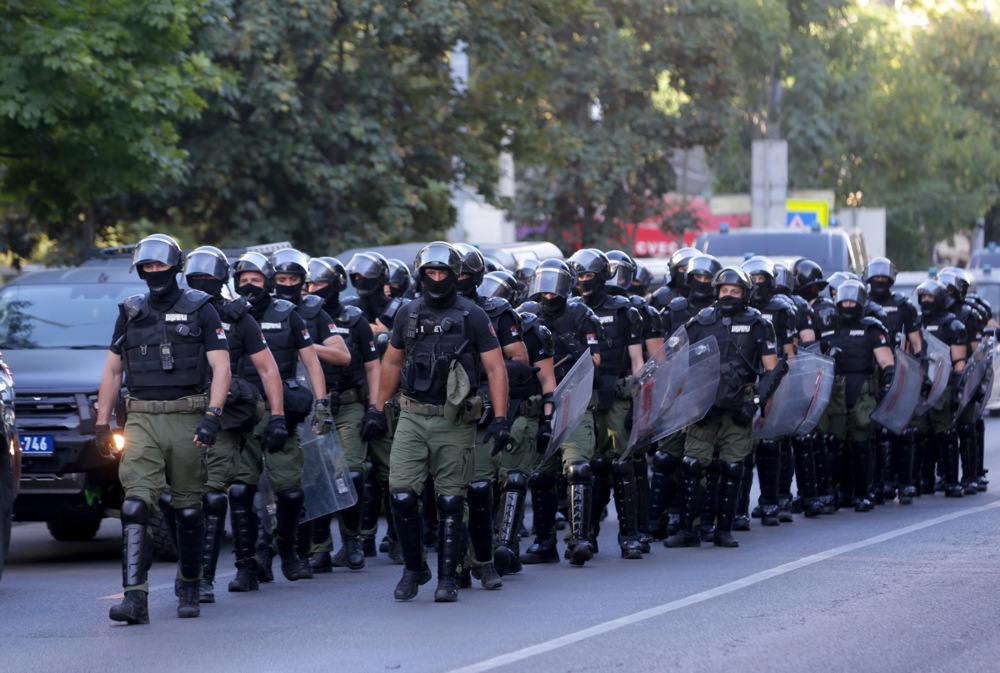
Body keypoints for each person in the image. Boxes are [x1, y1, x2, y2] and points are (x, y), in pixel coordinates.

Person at [363, 242, 509, 603]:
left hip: (454, 419)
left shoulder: (473, 315)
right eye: (431, 272)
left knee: (450, 500)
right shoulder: (407, 313)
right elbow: (392, 362)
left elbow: (495, 368)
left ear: (456, 275)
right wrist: (376, 408)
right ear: (421, 274)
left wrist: (501, 418)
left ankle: (448, 578)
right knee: (401, 494)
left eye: (444, 272)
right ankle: (414, 569)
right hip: (411, 415)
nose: (438, 279)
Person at [97, 234, 231, 623]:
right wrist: (101, 423)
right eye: (147, 266)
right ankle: (135, 599)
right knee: (135, 505)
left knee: (188, 509)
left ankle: (190, 584)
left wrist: (212, 416)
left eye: (160, 265)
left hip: (187, 416)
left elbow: (221, 366)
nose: (154, 271)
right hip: (141, 419)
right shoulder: (131, 311)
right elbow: (113, 370)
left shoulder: (201, 308)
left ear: (175, 268)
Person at [182, 246, 285, 603]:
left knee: (226, 493)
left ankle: (215, 575)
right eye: (196, 278)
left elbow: (268, 369)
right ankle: (192, 573)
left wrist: (277, 416)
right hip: (179, 413)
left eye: (209, 278)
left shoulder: (237, 316)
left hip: (229, 414)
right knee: (178, 498)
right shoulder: (174, 313)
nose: (202, 283)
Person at [227, 251, 334, 588]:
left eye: (256, 280)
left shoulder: (288, 314)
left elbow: (312, 362)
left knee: (289, 491)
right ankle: (246, 566)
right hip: (240, 412)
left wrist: (322, 405)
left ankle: (286, 548)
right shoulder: (226, 315)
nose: (249, 286)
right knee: (240, 490)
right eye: (244, 280)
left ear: (268, 283)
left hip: (280, 411)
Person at [665, 267, 782, 549]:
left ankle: (723, 530)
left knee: (732, 466)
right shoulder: (700, 322)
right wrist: (689, 402)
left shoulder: (758, 324)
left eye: (735, 291)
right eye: (724, 290)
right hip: (703, 405)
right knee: (692, 464)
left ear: (745, 294)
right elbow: (676, 361)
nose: (729, 295)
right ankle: (688, 530)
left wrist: (755, 403)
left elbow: (773, 370)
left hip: (739, 405)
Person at [452, 244, 529, 590]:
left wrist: (480, 372)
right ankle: (452, 563)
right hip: (438, 411)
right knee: (444, 493)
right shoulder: (422, 311)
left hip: (480, 410)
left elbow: (518, 363)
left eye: (464, 274)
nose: (456, 279)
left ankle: (483, 560)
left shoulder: (497, 312)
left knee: (479, 488)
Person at [519, 259, 603, 566]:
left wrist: (567, 341)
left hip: (575, 401)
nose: (549, 293)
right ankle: (545, 542)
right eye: (544, 286)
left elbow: (595, 362)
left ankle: (580, 538)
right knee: (541, 474)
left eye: (555, 286)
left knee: (577, 469)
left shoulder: (581, 315)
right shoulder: (527, 314)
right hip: (539, 404)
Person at [567, 249, 646, 560]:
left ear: (602, 277)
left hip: (618, 394)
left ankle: (630, 536)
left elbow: (638, 361)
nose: (584, 281)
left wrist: (640, 405)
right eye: (580, 276)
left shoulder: (624, 310)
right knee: (590, 466)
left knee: (622, 465)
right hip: (583, 395)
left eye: (589, 276)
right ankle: (585, 535)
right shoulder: (572, 310)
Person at [825, 280, 895, 512]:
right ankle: (839, 491)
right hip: (834, 389)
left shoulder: (872, 328)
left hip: (863, 389)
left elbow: (887, 363)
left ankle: (863, 493)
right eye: (843, 301)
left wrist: (887, 387)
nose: (847, 305)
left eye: (852, 301)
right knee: (835, 442)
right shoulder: (828, 326)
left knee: (861, 441)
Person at [863, 257, 922, 505]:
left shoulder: (903, 305)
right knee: (875, 431)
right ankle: (878, 483)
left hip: (899, 369)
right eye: (875, 277)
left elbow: (916, 342)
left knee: (902, 429)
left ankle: (905, 482)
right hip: (870, 371)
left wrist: (919, 371)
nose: (879, 281)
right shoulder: (862, 304)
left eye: (883, 277)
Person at [914, 279, 968, 497]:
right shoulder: (916, 323)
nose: (926, 301)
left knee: (945, 433)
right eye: (923, 297)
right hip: (920, 383)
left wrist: (957, 391)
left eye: (930, 297)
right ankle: (924, 478)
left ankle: (951, 481)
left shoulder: (953, 325)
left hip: (943, 383)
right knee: (920, 433)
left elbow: (960, 363)